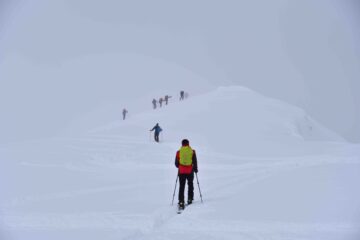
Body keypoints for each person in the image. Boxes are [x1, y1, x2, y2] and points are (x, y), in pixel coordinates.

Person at [175, 139, 198, 210]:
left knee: (182, 186)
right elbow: (195, 161)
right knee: (190, 184)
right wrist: (195, 169)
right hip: (190, 171)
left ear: (182, 144)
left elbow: (176, 164)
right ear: (188, 144)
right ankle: (190, 199)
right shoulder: (192, 151)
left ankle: (181, 201)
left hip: (181, 171)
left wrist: (180, 166)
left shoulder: (178, 152)